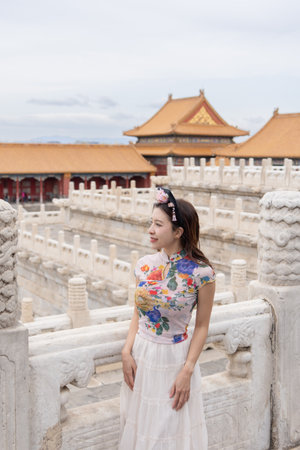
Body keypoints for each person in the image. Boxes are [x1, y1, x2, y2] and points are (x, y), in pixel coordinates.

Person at [119, 187, 216, 450]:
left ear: (178, 232)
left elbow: (202, 326)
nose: (150, 229)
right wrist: (127, 350)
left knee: (168, 436)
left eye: (158, 224)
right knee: (141, 432)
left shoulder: (202, 274)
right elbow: (138, 312)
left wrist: (188, 369)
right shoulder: (144, 265)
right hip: (142, 357)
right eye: (151, 222)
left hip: (175, 360)